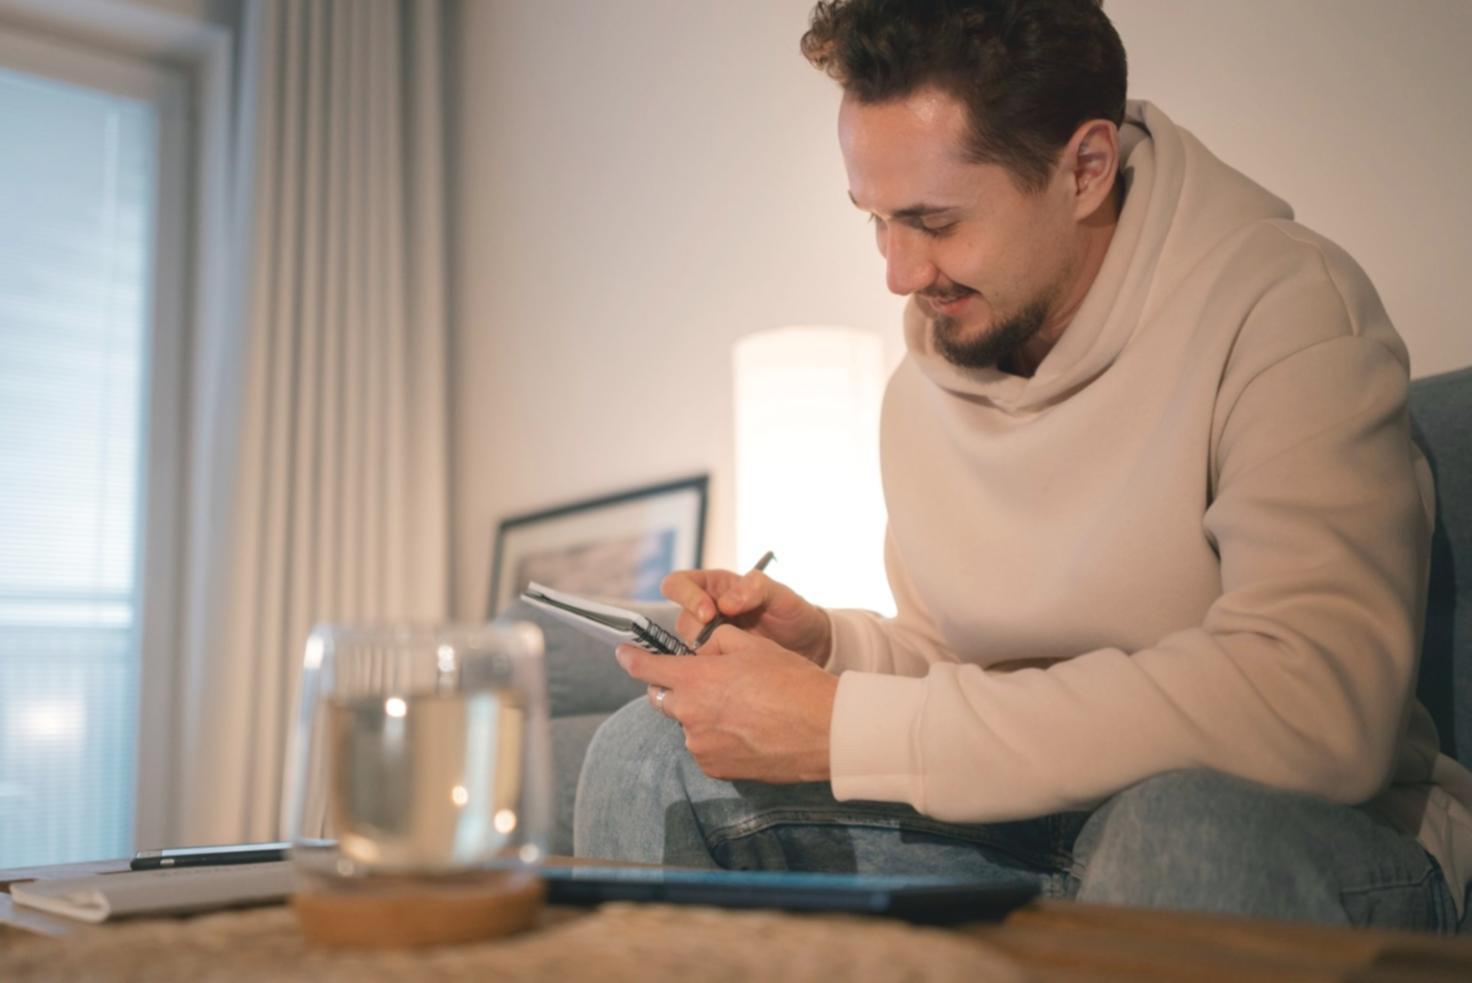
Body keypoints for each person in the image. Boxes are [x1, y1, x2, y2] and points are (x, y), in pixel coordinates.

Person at [574, 0, 1472, 931]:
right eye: (877, 220)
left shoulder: (1287, 312)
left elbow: (1312, 704)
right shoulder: (924, 383)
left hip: (1304, 836)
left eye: (933, 219)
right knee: (648, 752)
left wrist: (846, 724)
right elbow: (957, 666)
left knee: (1177, 824)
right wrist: (832, 652)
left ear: (1084, 170)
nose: (899, 272)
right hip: (1023, 829)